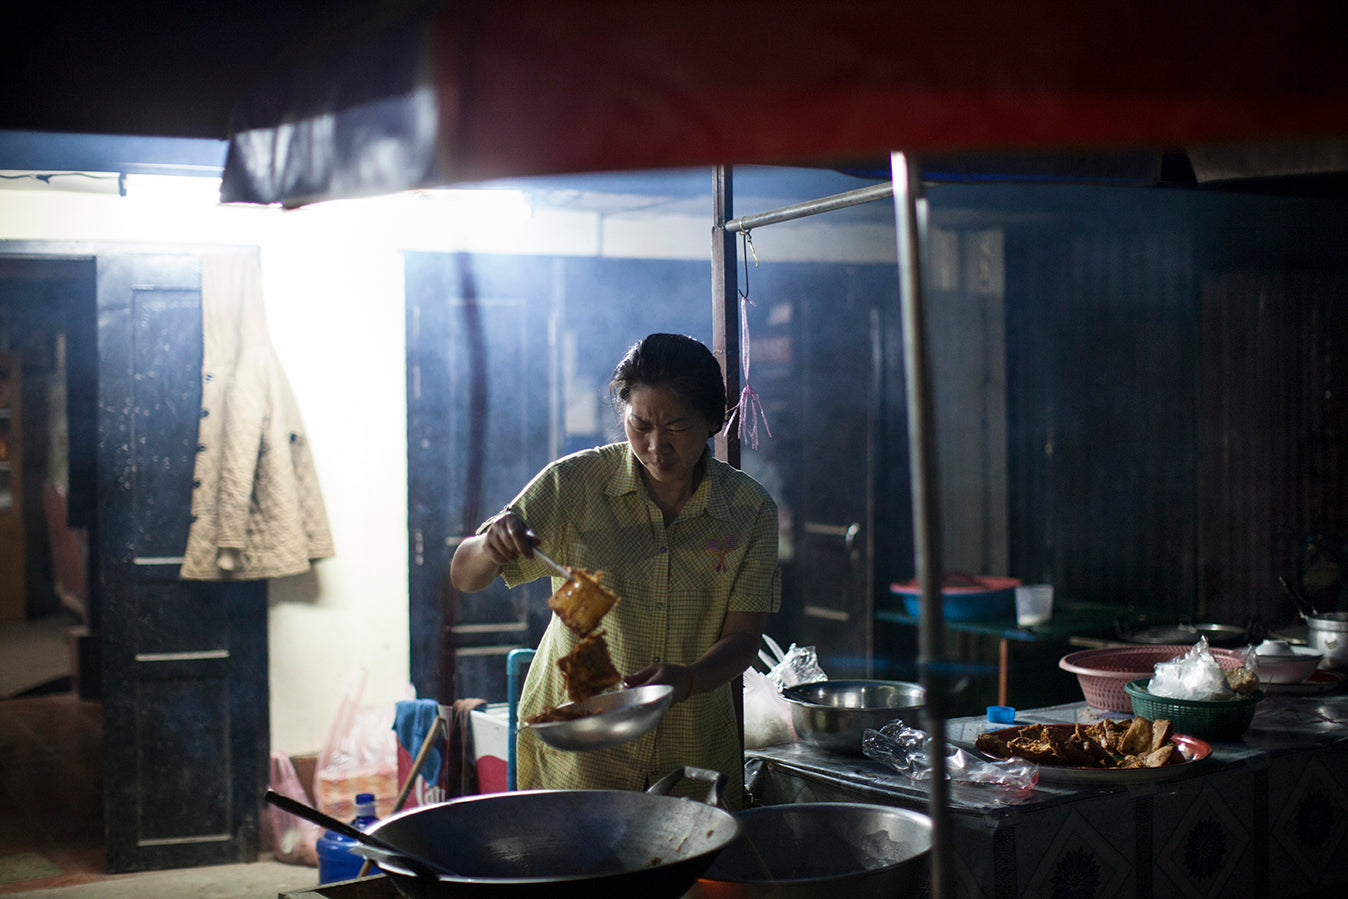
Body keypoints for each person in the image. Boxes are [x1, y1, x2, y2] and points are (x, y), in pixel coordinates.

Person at [450, 333, 780, 807]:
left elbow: (743, 640)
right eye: (640, 424)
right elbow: (465, 576)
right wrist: (490, 546)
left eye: (677, 427)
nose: (656, 446)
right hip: (580, 754)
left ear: (712, 421)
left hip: (691, 755)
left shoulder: (749, 510)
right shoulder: (573, 485)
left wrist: (686, 679)